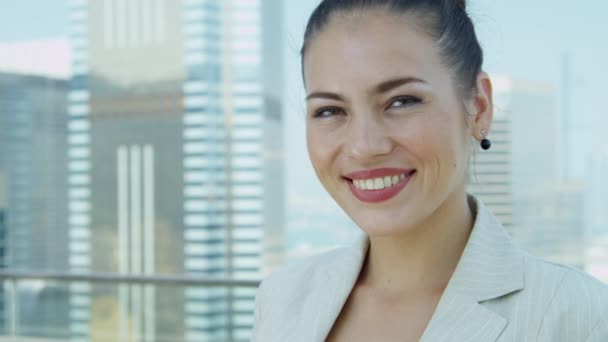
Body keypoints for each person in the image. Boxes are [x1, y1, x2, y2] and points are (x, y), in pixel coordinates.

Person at [252, 0, 608, 341]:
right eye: (330, 110)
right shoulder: (282, 298)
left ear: (480, 108)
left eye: (402, 101)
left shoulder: (578, 315)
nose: (364, 146)